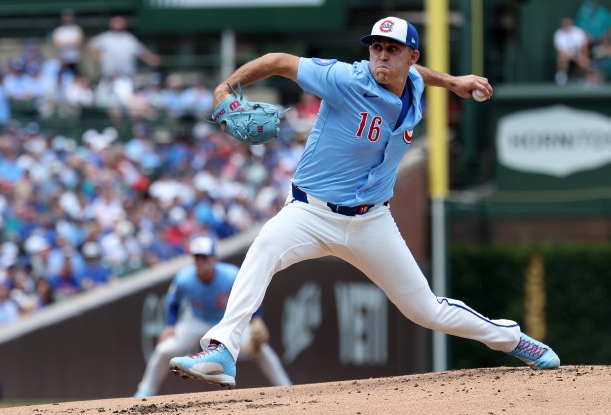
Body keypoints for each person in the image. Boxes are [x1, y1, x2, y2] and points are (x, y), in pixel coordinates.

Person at [168, 17, 560, 389]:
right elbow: (278, 62)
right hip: (309, 213)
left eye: (392, 48)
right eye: (376, 47)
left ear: (411, 57)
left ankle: (512, 339)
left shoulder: (414, 83)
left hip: (371, 222)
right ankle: (222, 351)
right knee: (263, 251)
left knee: (424, 310)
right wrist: (227, 86)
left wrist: (453, 81)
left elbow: (418, 77)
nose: (382, 56)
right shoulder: (344, 79)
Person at [135, 236, 291, 396]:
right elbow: (173, 301)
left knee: (261, 348)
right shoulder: (184, 278)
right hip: (196, 320)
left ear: (214, 258)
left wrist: (257, 318)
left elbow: (250, 294)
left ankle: (286, 387)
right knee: (163, 350)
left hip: (226, 322)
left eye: (204, 257)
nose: (200, 261)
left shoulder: (230, 275)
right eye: (197, 257)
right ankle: (144, 391)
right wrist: (171, 325)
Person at [88, 15, 160, 81]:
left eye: (120, 22)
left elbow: (141, 52)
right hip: (108, 75)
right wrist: (99, 58)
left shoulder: (129, 38)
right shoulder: (105, 37)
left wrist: (151, 59)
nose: (118, 24)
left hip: (125, 76)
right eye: (116, 21)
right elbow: (92, 45)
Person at [553, 17, 590, 85]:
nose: (567, 26)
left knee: (584, 62)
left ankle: (576, 78)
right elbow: (560, 50)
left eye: (568, 24)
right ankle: (561, 78)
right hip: (566, 55)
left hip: (578, 54)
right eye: (565, 24)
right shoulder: (558, 33)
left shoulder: (579, 32)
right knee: (562, 58)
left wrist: (582, 56)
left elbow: (584, 47)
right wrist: (571, 56)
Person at [51, 9, 84, 81]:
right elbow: (57, 44)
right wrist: (71, 43)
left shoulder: (76, 29)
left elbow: (78, 43)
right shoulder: (59, 30)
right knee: (59, 80)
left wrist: (65, 43)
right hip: (62, 60)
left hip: (74, 59)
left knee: (79, 79)